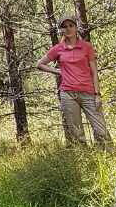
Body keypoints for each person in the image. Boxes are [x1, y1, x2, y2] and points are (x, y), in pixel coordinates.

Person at [35, 17, 111, 147]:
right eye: (65, 27)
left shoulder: (87, 47)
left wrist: (97, 94)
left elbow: (94, 72)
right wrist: (57, 71)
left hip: (88, 93)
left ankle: (108, 156)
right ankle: (85, 160)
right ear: (62, 30)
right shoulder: (58, 48)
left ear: (76, 28)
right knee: (77, 132)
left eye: (71, 25)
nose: (68, 28)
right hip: (68, 94)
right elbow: (40, 64)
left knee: (101, 130)